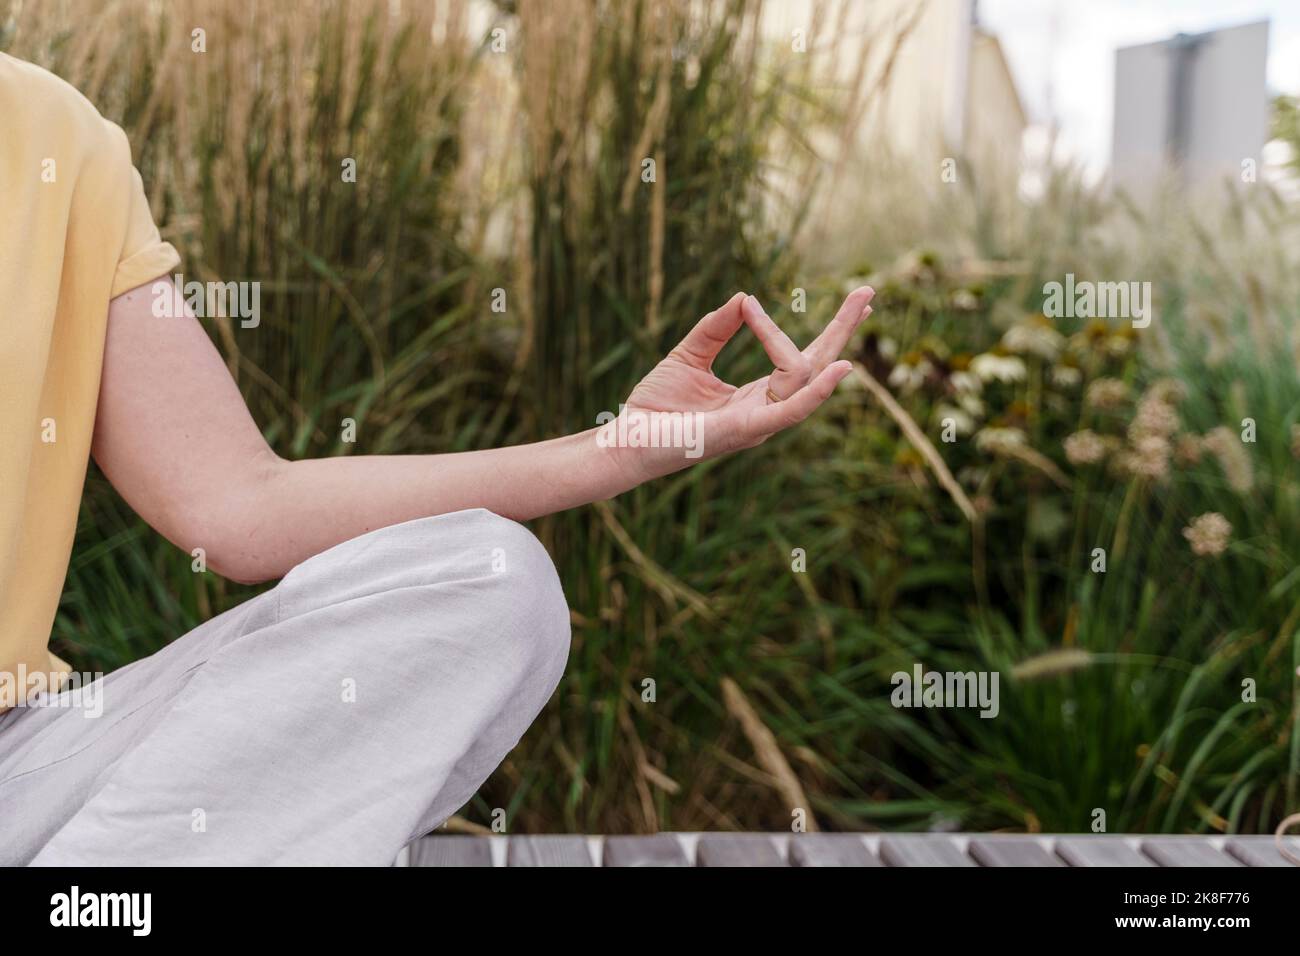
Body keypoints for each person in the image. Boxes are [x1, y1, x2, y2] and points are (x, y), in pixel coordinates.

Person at [0, 52, 873, 865]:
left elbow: (236, 506)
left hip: (23, 760)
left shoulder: (53, 136)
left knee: (495, 581)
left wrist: (619, 448)